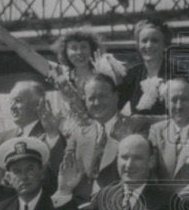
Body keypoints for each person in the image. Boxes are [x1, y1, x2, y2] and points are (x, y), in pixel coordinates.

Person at [0, 0, 126, 128]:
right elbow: (26, 52)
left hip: (104, 132)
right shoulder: (60, 74)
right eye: (73, 48)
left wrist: (109, 75)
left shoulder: (104, 71)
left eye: (83, 47)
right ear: (65, 52)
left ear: (92, 49)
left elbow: (120, 99)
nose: (79, 52)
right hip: (72, 136)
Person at [54, 74, 148, 202]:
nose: (97, 103)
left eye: (102, 96)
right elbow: (65, 172)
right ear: (85, 101)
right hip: (81, 207)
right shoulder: (78, 133)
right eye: (91, 98)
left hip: (118, 207)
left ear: (116, 96)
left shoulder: (135, 127)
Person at [0, 79, 66, 196]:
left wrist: (52, 134)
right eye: (11, 102)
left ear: (37, 105)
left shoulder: (51, 136)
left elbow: (59, 171)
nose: (12, 107)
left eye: (18, 101)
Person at [148, 78, 189, 183]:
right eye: (174, 100)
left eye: (184, 99)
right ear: (166, 103)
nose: (179, 106)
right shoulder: (156, 131)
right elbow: (150, 170)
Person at [120, 17, 181, 116]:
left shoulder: (177, 74)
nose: (149, 45)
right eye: (144, 41)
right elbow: (114, 106)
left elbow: (182, 115)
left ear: (165, 45)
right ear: (138, 46)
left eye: (155, 41)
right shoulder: (132, 74)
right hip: (137, 131)